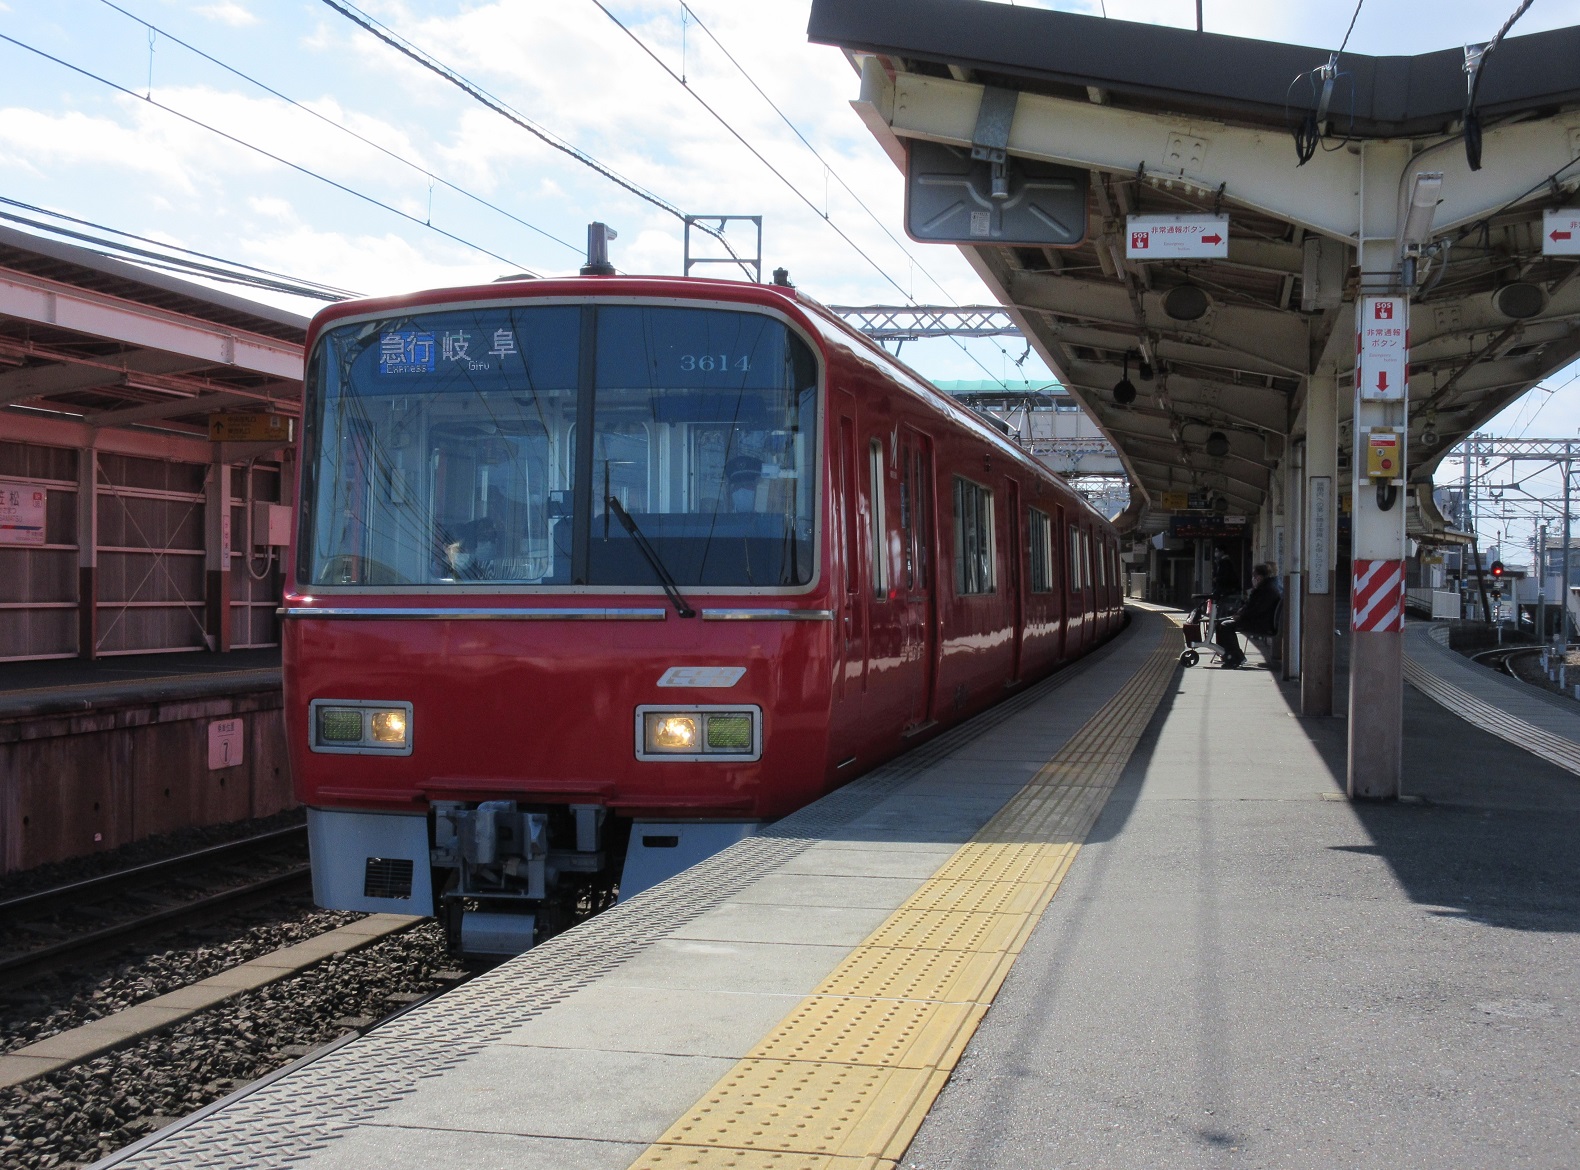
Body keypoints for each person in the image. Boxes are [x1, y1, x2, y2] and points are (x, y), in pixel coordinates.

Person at [1216, 563, 1279, 668]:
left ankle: (1236, 657)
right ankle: (1226, 654)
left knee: (1226, 626)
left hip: (1260, 623)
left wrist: (1240, 616)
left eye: (1255, 575)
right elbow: (1250, 607)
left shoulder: (1266, 590)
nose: (1253, 578)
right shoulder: (1264, 588)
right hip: (1257, 620)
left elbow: (1257, 609)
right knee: (1219, 623)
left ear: (1260, 576)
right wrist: (1239, 614)